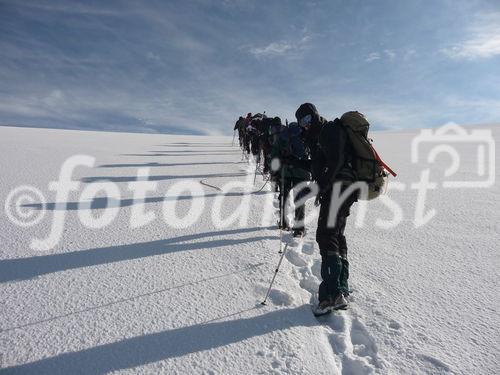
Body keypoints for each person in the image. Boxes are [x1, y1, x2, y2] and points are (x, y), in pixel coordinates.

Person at [293, 103, 360, 314]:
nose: (304, 125)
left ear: (314, 116)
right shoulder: (320, 137)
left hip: (338, 188)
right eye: (300, 122)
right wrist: (292, 160)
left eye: (306, 119)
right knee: (337, 235)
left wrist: (321, 186)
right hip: (346, 187)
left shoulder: (328, 130)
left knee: (326, 235)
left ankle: (329, 296)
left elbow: (336, 161)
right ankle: (341, 290)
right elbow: (320, 165)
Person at [271, 121, 311, 237]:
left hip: (285, 171)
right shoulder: (304, 134)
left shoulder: (283, 136)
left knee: (284, 196)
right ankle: (299, 229)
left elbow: (274, 154)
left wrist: (275, 170)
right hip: (302, 172)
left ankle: (283, 223)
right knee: (299, 199)